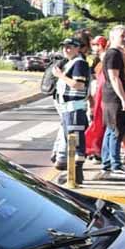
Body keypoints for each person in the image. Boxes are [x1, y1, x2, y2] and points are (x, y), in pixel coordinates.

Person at [51, 37, 91, 185]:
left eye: (69, 47)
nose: (66, 50)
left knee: (75, 143)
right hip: (69, 109)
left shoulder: (79, 63)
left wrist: (60, 75)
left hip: (74, 109)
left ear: (77, 48)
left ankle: (74, 176)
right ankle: (74, 175)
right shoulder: (72, 63)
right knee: (72, 142)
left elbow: (78, 85)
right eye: (64, 47)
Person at [98, 26, 125, 179]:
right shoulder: (113, 54)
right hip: (114, 99)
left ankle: (108, 164)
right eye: (122, 36)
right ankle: (115, 165)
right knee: (116, 132)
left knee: (111, 131)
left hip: (111, 98)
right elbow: (114, 78)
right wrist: (124, 99)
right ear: (112, 37)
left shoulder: (114, 54)